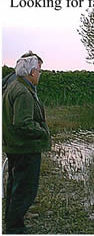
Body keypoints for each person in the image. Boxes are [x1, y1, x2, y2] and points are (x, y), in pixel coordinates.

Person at [2, 51, 51, 234]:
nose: (40, 74)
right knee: (25, 190)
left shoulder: (15, 86)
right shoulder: (23, 91)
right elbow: (22, 123)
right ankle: (15, 229)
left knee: (15, 186)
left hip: (15, 147)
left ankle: (12, 222)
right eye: (38, 71)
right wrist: (42, 132)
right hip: (24, 149)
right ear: (31, 72)